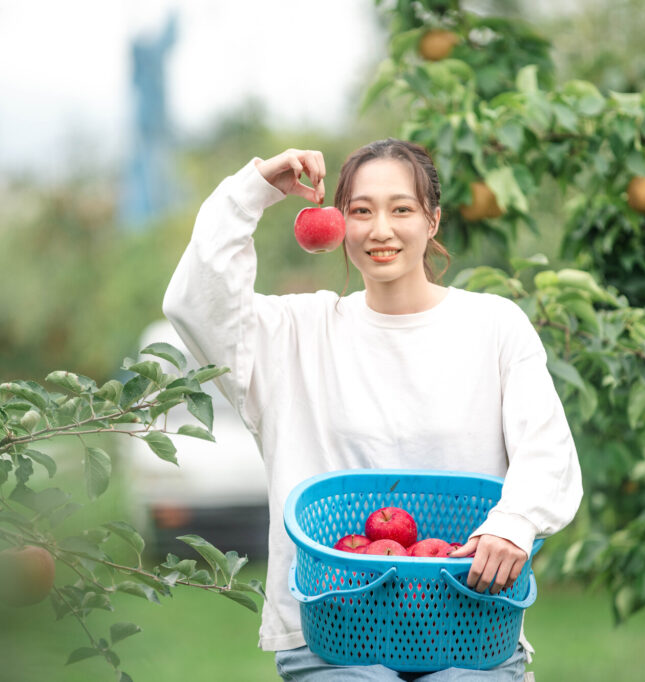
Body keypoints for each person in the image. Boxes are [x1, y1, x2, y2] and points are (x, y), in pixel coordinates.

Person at [162, 139, 583, 681]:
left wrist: (514, 523)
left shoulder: (493, 327)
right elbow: (194, 301)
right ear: (339, 223)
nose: (380, 229)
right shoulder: (294, 337)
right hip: (332, 631)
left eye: (401, 209)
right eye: (361, 211)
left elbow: (547, 448)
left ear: (432, 221)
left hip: (469, 623)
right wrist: (254, 191)